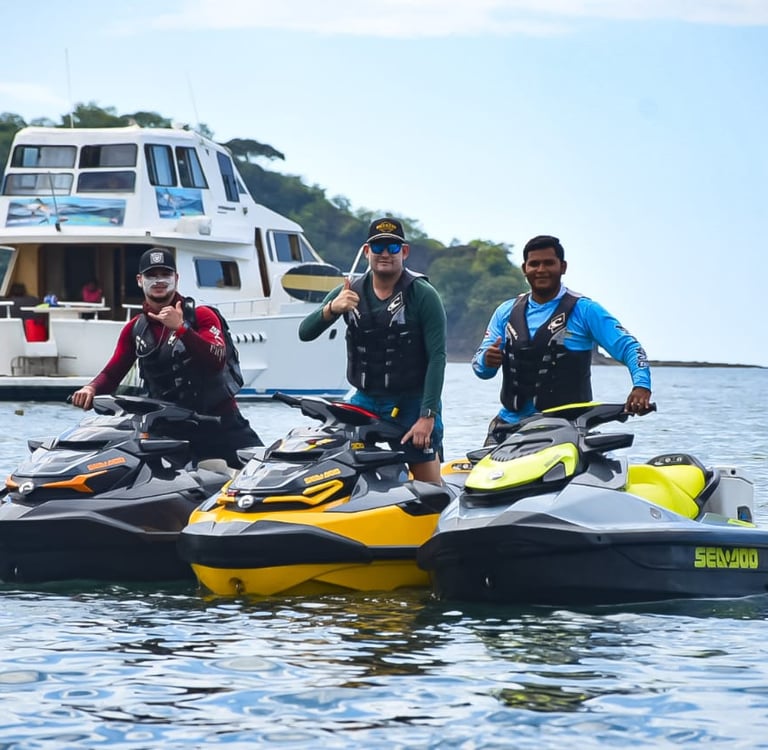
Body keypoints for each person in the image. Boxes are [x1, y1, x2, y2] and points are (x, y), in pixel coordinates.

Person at [71, 247, 262, 468]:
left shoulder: (202, 316)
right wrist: (91, 389)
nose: (159, 281)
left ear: (176, 279)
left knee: (259, 472)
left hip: (219, 423)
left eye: (165, 274)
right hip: (166, 429)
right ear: (140, 280)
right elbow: (112, 374)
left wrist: (181, 329)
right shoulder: (134, 329)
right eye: (152, 275)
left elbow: (216, 359)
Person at [299, 217, 447, 484]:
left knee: (428, 484)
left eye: (393, 247)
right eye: (378, 247)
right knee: (332, 450)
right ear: (367, 251)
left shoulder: (423, 294)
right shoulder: (348, 291)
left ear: (404, 252)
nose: (385, 254)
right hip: (365, 398)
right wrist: (332, 308)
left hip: (412, 402)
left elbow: (437, 358)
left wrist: (427, 417)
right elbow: (305, 333)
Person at [472, 234, 652, 445]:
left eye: (549, 263)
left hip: (566, 428)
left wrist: (641, 387)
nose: (541, 270)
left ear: (563, 267)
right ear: (524, 269)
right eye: (534, 264)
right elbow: (480, 368)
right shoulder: (505, 312)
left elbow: (630, 347)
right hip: (508, 426)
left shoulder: (585, 310)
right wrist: (487, 360)